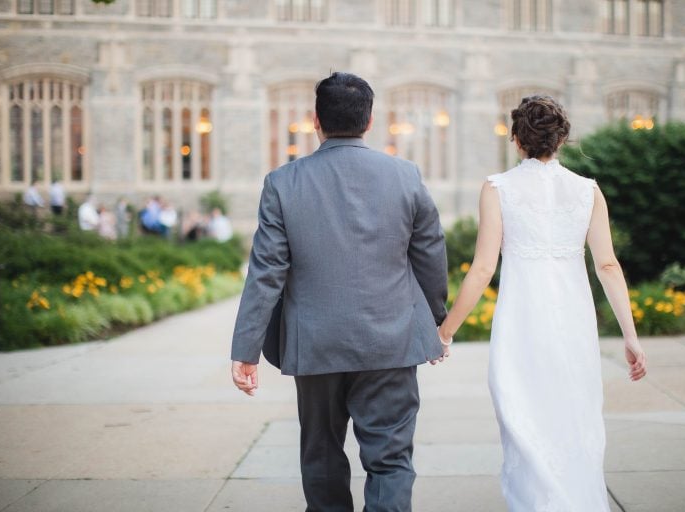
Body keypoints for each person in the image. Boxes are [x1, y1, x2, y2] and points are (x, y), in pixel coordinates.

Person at [230, 72, 449, 511]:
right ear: (370, 121)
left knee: (321, 458)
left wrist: (246, 347)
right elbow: (430, 254)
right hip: (391, 340)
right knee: (390, 461)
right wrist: (435, 321)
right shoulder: (405, 175)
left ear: (316, 121)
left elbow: (267, 271)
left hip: (315, 344)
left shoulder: (283, 182)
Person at [437, 96, 647, 511]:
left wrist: (445, 332)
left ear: (516, 140)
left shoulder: (498, 188)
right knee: (576, 420)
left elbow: (481, 270)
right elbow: (607, 265)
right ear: (562, 138)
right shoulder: (588, 191)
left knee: (524, 420)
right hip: (574, 325)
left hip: (522, 324)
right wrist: (631, 336)